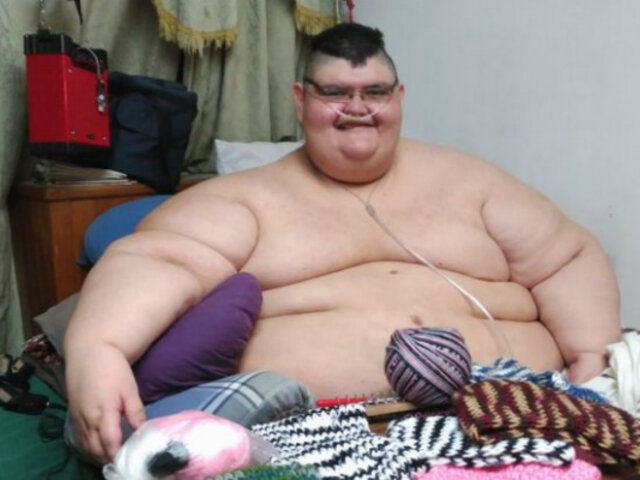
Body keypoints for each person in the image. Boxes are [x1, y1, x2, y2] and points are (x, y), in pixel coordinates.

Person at [63, 22, 621, 462]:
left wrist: (593, 361)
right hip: (317, 434)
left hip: (518, 414)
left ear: (399, 97)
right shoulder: (246, 200)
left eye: (375, 92)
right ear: (301, 99)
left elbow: (567, 257)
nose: (358, 107)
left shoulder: (476, 185)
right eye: (336, 92)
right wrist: (99, 350)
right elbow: (157, 259)